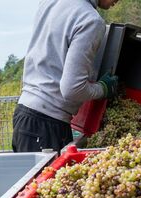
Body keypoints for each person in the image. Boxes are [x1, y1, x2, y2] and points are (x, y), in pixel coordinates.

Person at [12, 0, 119, 152]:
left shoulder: (51, 2)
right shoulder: (90, 20)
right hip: (47, 124)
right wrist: (103, 89)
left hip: (24, 115)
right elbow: (72, 89)